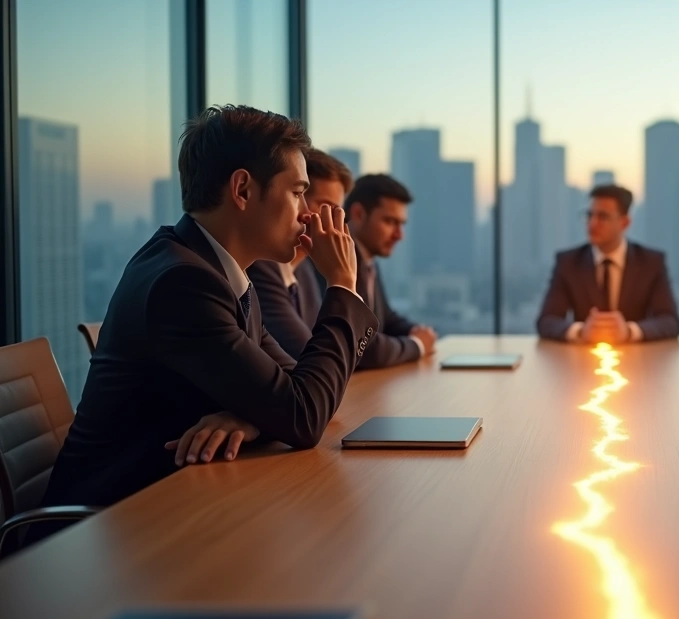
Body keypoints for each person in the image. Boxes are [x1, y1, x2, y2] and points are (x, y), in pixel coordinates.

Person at [42, 105, 377, 508]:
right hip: (109, 527)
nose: (307, 213)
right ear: (242, 190)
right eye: (298, 192)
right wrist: (341, 285)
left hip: (171, 505)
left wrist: (253, 416)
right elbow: (305, 414)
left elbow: (299, 390)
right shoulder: (183, 283)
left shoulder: (216, 271)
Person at [536, 184, 679, 343]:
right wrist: (581, 331)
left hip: (638, 359)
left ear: (624, 223)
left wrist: (628, 331)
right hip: (582, 359)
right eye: (589, 215)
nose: (592, 223)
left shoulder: (651, 263)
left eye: (602, 217)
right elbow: (547, 321)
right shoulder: (568, 263)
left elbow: (670, 321)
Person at [248, 148, 351, 359]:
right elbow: (315, 357)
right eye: (324, 207)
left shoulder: (303, 269)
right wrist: (343, 280)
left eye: (337, 211)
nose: (332, 220)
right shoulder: (259, 266)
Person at [340, 174, 438, 367]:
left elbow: (385, 320)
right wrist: (416, 345)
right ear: (359, 214)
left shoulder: (368, 261)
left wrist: (418, 332)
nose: (399, 235)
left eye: (401, 224)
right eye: (390, 222)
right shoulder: (337, 263)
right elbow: (361, 345)